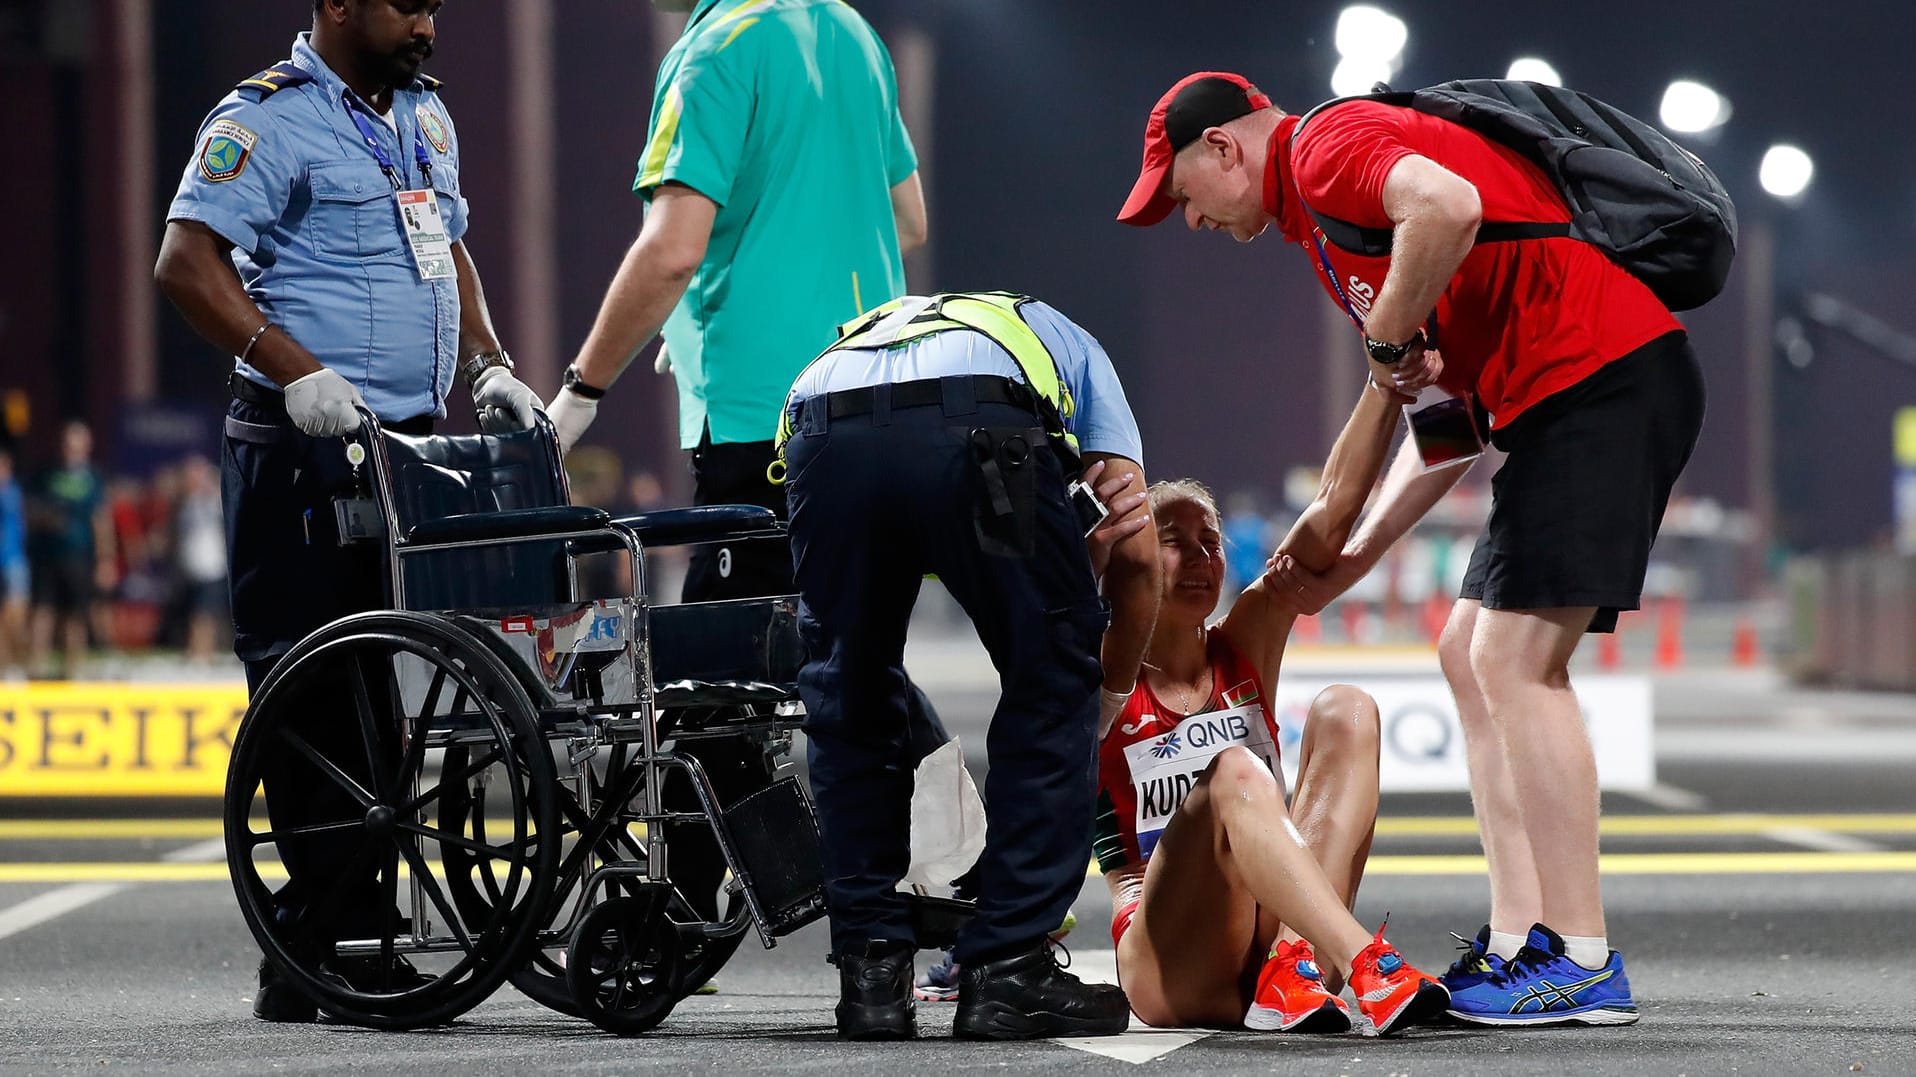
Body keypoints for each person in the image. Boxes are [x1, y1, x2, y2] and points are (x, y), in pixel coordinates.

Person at [1118, 70, 1702, 1026]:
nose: (1190, 220)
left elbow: (1450, 202)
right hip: (1552, 400)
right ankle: (1522, 942)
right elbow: (1445, 424)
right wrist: (1358, 559)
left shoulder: (1324, 148)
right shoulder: (1325, 236)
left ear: (1224, 146)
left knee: (1515, 663)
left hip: (1601, 375)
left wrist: (1386, 334)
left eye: (1182, 192)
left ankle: (1583, 957)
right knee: (1464, 652)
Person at [154, 0, 539, 1023]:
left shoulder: (424, 118)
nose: (424, 20)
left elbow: (445, 247)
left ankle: (320, 938)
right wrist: (294, 372)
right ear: (331, 4)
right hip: (301, 446)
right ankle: (336, 940)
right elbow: (187, 262)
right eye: (402, 3)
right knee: (314, 693)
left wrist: (488, 362)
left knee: (374, 691)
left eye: (433, 4)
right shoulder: (266, 121)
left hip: (399, 446)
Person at [540, 0, 929, 943]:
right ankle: (908, 911)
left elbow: (672, 248)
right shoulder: (851, 32)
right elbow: (908, 219)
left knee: (710, 674)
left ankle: (687, 912)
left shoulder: (713, 50)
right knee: (851, 660)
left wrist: (583, 387)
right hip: (882, 387)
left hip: (766, 419)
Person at [780, 291, 1159, 1041]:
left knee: (848, 686)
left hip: (820, 424)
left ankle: (872, 975)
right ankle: (1010, 968)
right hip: (982, 425)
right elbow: (1135, 544)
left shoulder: (876, 329)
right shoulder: (1072, 342)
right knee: (1049, 673)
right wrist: (1101, 689)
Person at [26, 421, 114, 679]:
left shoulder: (93, 478)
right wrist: (46, 519)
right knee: (43, 610)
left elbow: (101, 521)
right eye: (67, 444)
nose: (71, 450)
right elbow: (30, 510)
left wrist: (105, 559)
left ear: (86, 448)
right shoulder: (46, 475)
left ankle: (72, 669)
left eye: (77, 445)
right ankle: (36, 668)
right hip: (48, 555)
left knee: (76, 614)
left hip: (79, 555)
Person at [0, 448, 29, 678]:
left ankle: (17, 665)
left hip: (13, 563)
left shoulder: (13, 493)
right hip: (10, 563)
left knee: (15, 618)